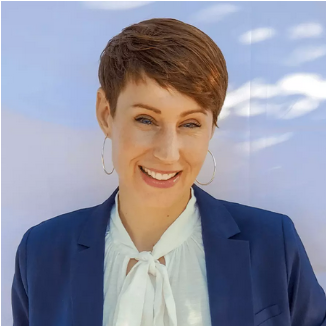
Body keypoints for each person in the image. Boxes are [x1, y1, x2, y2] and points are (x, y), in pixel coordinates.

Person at [11, 18, 326, 326]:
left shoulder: (272, 243)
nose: (167, 152)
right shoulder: (41, 252)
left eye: (190, 124)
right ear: (107, 114)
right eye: (146, 120)